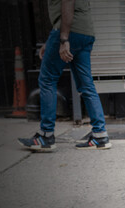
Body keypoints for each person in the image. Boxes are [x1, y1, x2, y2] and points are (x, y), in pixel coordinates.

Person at [18, 0, 111, 151]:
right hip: (85, 33)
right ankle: (100, 136)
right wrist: (52, 43)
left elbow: (68, 3)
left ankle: (46, 136)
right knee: (86, 85)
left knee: (47, 79)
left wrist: (63, 39)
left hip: (69, 32)